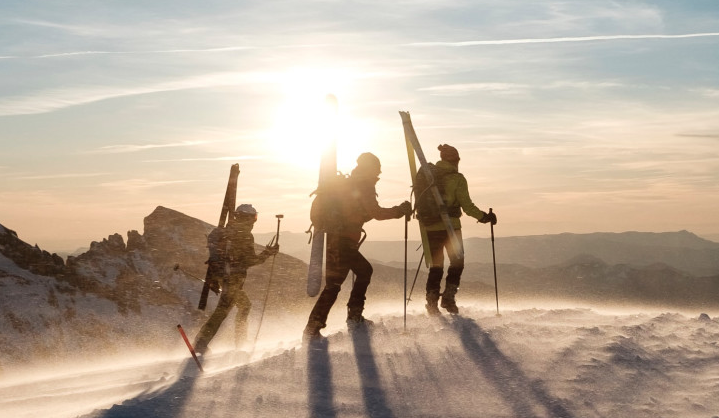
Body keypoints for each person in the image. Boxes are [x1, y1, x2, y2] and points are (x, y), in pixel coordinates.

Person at [303, 153, 411, 338]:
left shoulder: (348, 183)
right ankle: (336, 321)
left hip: (335, 239)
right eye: (377, 169)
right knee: (345, 280)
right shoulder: (363, 185)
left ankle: (323, 323)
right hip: (344, 241)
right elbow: (375, 212)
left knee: (342, 281)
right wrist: (400, 211)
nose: (379, 173)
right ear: (371, 169)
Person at [415, 142, 496, 316]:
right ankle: (449, 299)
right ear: (455, 160)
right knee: (457, 263)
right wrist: (484, 217)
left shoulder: (429, 177)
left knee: (436, 266)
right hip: (451, 228)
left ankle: (431, 302)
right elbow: (467, 206)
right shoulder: (457, 179)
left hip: (430, 227)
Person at [194, 203, 278, 354]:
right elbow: (250, 260)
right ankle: (202, 343)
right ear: (247, 218)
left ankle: (237, 341)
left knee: (244, 305)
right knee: (222, 312)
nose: (254, 222)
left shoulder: (226, 232)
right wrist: (268, 253)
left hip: (224, 276)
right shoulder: (244, 235)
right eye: (253, 218)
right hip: (233, 279)